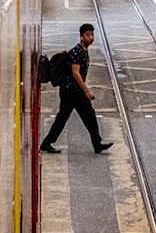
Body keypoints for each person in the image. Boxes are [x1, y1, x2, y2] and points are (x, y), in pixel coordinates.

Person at [40, 24, 113, 155]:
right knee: (63, 118)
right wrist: (87, 91)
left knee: (89, 116)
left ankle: (97, 144)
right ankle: (46, 143)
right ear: (81, 36)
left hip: (76, 91)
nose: (91, 38)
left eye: (92, 35)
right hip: (70, 91)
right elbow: (76, 73)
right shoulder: (77, 52)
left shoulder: (83, 51)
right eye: (87, 35)